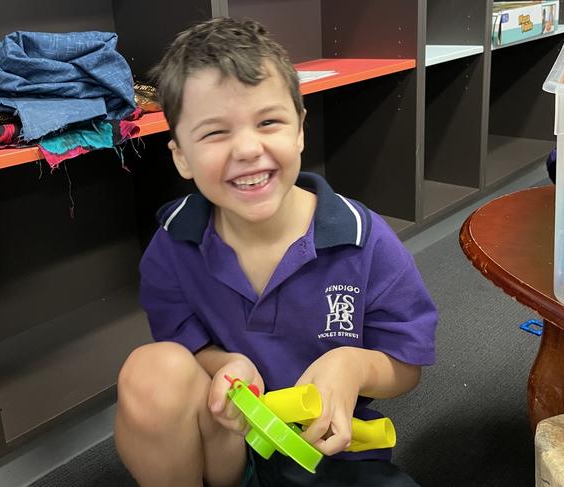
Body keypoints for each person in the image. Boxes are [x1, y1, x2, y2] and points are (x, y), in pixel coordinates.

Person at [114, 17, 438, 487]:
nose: (248, 148)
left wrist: (353, 364)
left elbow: (406, 364)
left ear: (301, 130)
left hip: (328, 455)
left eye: (268, 122)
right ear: (181, 156)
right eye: (214, 133)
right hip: (222, 446)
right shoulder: (172, 243)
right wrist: (222, 365)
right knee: (149, 370)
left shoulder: (362, 239)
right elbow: (185, 346)